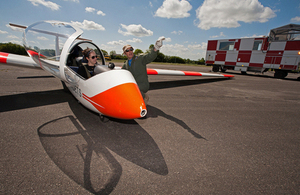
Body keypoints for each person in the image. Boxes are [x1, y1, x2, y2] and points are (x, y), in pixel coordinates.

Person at [122, 37, 165, 104]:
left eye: (131, 49)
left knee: (133, 93)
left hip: (142, 85)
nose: (130, 51)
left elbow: (150, 56)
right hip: (133, 85)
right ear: (124, 53)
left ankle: (144, 96)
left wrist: (156, 47)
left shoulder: (139, 58)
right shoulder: (125, 65)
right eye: (127, 50)